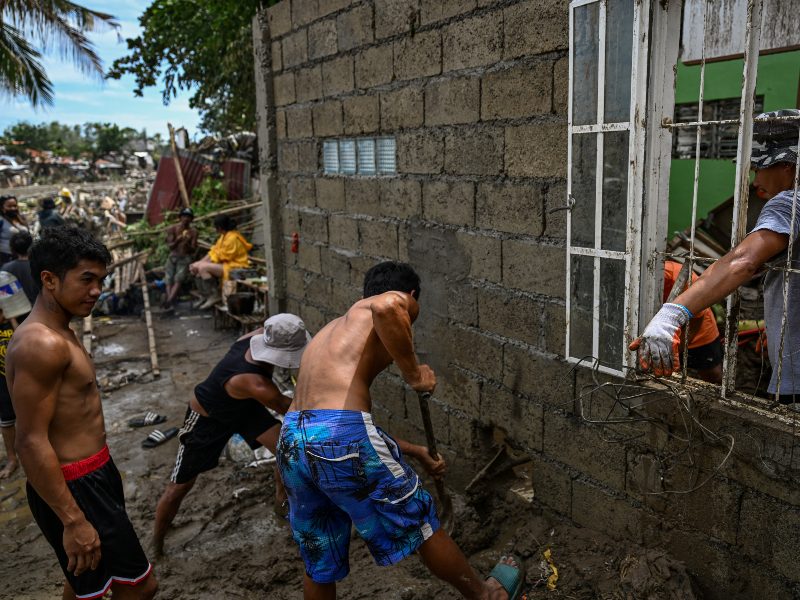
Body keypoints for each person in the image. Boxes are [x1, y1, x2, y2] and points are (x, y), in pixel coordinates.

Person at [278, 261, 524, 600]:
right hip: (339, 435)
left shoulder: (330, 332)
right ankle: (487, 596)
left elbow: (317, 431)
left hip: (293, 440)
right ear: (411, 294)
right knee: (420, 521)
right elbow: (386, 306)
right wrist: (414, 374)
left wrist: (414, 451)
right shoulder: (384, 303)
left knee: (319, 555)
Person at [6, 226, 157, 600]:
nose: (97, 290)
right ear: (49, 279)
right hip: (75, 483)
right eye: (86, 279)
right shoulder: (41, 343)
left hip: (95, 473)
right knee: (139, 589)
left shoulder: (62, 330)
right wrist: (73, 519)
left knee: (84, 581)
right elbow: (29, 440)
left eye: (100, 280)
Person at [631, 109, 800, 405]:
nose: (754, 177)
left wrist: (671, 316)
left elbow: (743, 262)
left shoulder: (789, 202)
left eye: (758, 167)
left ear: (786, 165)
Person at [152, 313, 310, 556]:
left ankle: (282, 504)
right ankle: (157, 544)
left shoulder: (259, 335)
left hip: (244, 407)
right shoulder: (255, 383)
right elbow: (290, 407)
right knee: (180, 486)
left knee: (285, 449)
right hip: (207, 418)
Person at [662, 260, 723, 384]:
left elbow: (696, 319)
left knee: (712, 374)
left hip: (699, 332)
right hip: (666, 330)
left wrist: (679, 347)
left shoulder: (681, 279)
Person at [189, 215, 252, 309]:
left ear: (219, 227)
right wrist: (198, 263)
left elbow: (222, 256)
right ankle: (206, 296)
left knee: (203, 268)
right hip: (226, 264)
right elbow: (214, 251)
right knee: (197, 267)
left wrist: (201, 264)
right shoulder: (224, 236)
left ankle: (215, 295)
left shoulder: (232, 238)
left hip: (236, 266)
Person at [161, 207, 198, 310]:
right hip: (173, 256)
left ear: (191, 219)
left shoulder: (193, 232)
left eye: (188, 217)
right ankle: (170, 300)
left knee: (179, 279)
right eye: (184, 216)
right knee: (168, 279)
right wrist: (177, 241)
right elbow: (170, 246)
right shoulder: (172, 229)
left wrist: (187, 244)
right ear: (180, 218)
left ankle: (169, 301)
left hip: (185, 258)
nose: (186, 219)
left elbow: (193, 249)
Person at [0, 308, 17, 478]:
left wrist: (12, 319)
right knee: (6, 423)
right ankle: (12, 458)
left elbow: (23, 339)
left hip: (21, 379)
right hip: (2, 383)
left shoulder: (12, 325)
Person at [2, 231, 38, 306]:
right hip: (40, 309)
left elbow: (5, 296)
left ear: (13, 248)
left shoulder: (6, 268)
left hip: (18, 311)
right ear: (31, 245)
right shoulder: (39, 264)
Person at [0, 195, 29, 264]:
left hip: (24, 258)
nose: (13, 208)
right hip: (6, 258)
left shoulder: (21, 219)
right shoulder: (1, 221)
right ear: (2, 208)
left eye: (15, 206)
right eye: (9, 206)